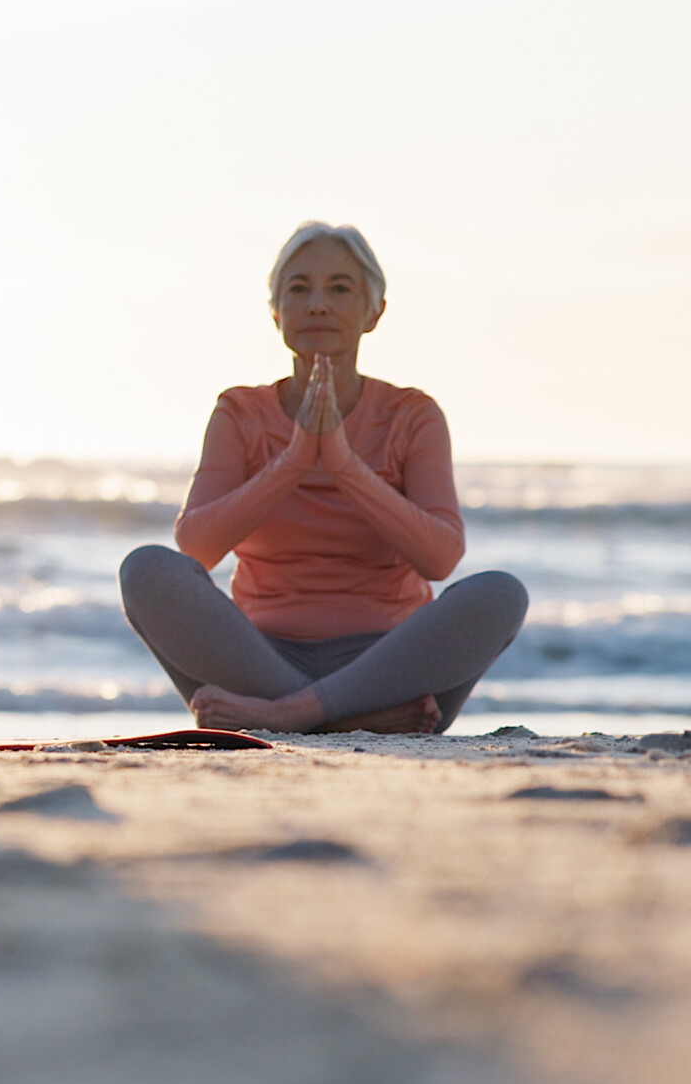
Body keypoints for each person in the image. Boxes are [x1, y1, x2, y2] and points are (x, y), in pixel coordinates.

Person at [118, 222, 526, 734]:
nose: (317, 305)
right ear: (275, 312)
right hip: (257, 660)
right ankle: (343, 717)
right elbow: (196, 545)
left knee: (501, 594)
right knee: (145, 570)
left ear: (373, 312)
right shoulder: (240, 412)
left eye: (339, 289)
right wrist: (293, 460)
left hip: (389, 668)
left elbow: (440, 558)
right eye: (298, 289)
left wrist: (341, 463)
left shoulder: (411, 415)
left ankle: (291, 716)